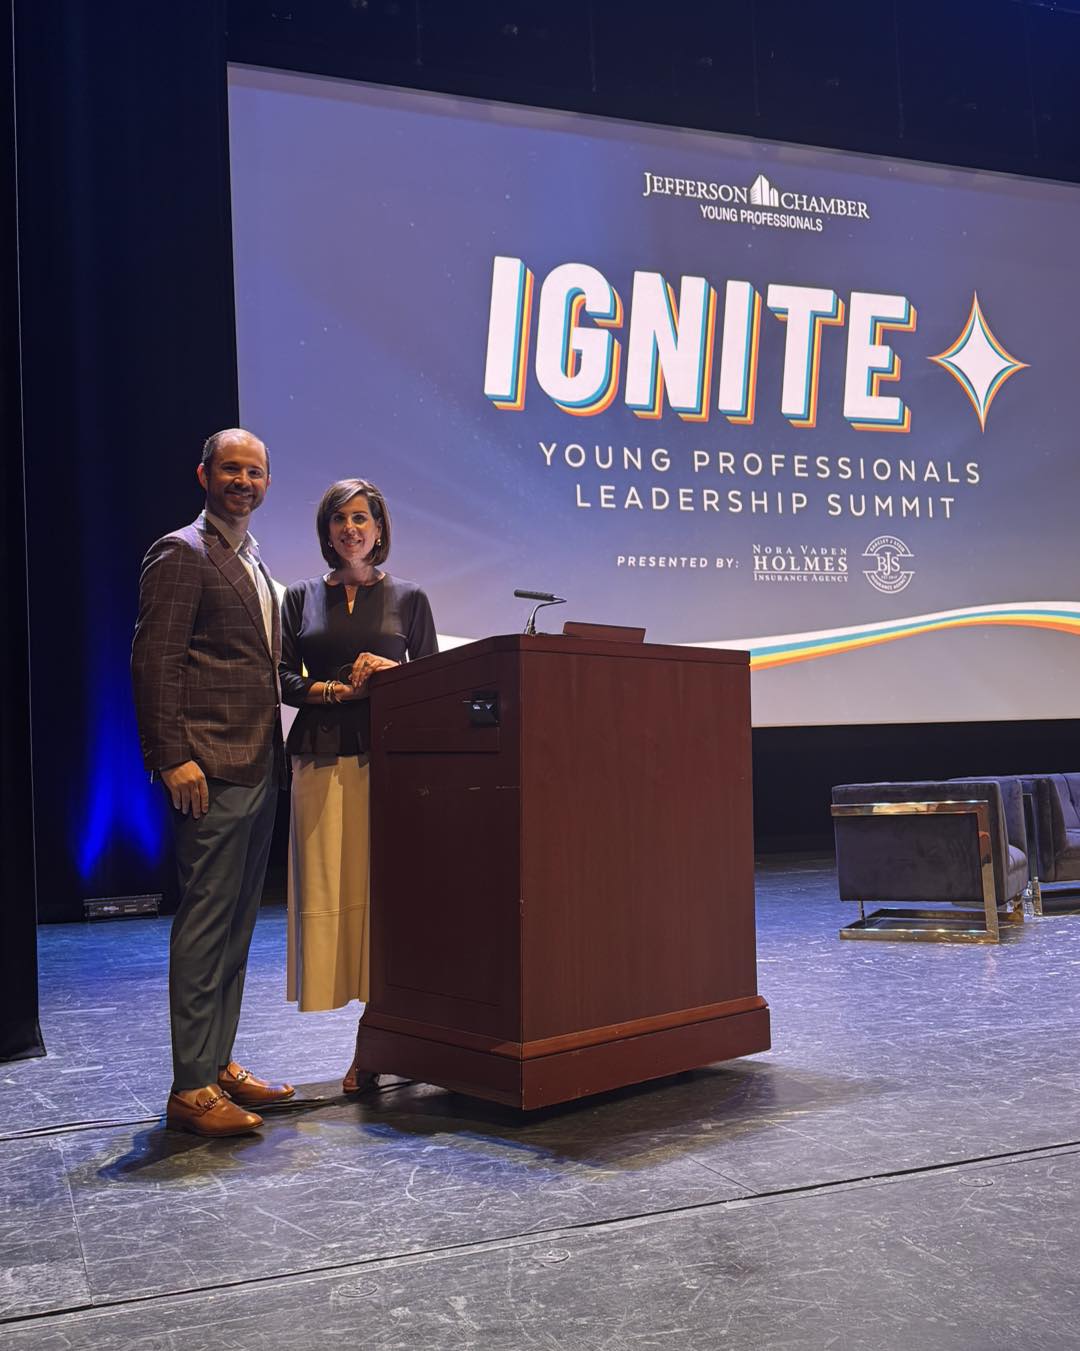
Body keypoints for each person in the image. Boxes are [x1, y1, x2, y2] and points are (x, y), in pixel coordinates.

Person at [131, 428, 294, 1137]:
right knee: (205, 926)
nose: (243, 481)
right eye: (231, 469)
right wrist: (172, 755)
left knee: (235, 926)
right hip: (209, 768)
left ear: (267, 483)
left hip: (258, 765)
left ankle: (217, 1062)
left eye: (254, 472)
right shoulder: (181, 552)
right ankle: (191, 1087)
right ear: (204, 475)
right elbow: (154, 661)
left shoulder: (254, 560)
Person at [279, 478, 436, 1090]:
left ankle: (377, 1040)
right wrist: (336, 691)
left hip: (389, 760)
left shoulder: (410, 597)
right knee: (331, 893)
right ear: (327, 530)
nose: (351, 528)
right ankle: (372, 1035)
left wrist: (393, 673)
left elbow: (431, 682)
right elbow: (282, 679)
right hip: (319, 757)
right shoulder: (299, 597)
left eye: (361, 518)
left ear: (379, 528)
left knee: (387, 896)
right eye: (340, 519)